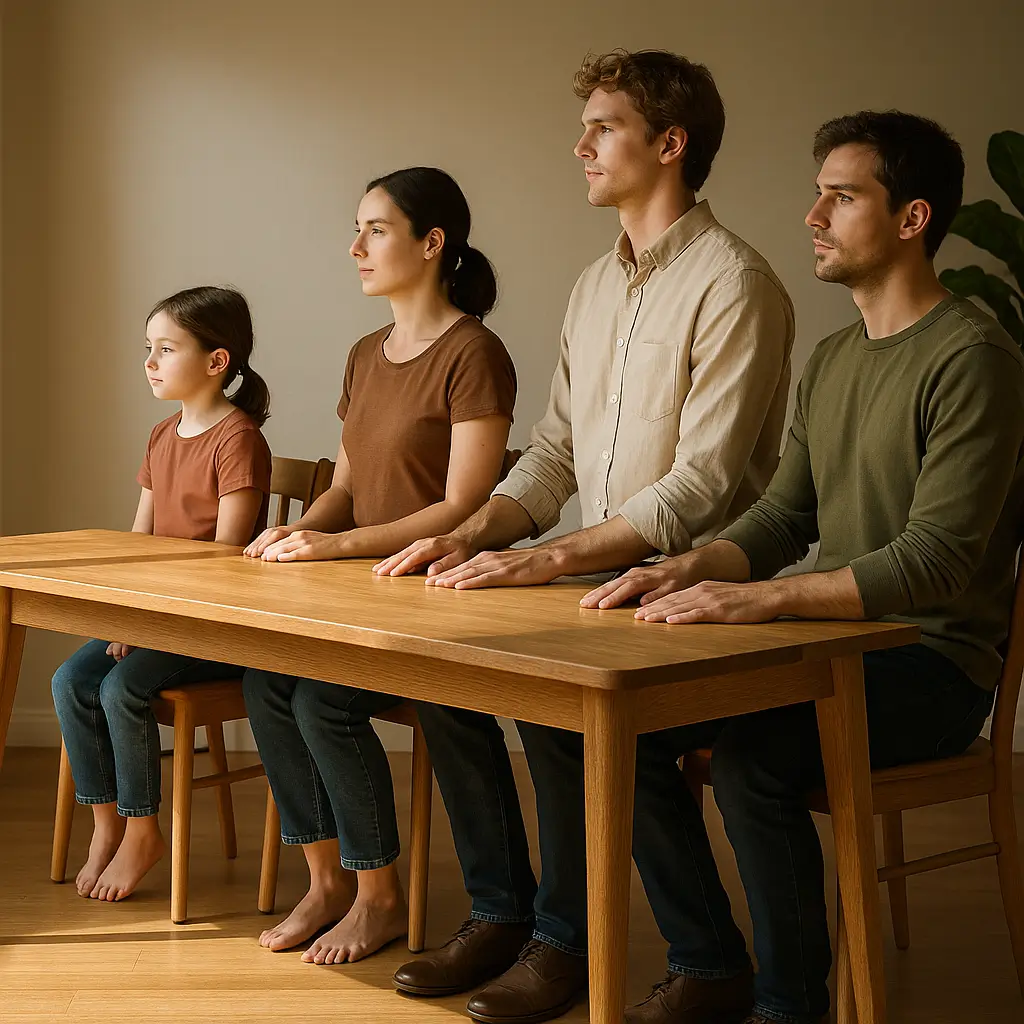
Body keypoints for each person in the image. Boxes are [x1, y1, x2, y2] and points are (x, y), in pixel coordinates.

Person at [377, 51, 794, 1024]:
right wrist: (472, 534)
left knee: (564, 706)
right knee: (443, 664)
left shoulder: (736, 283)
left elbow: (705, 482)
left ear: (670, 143)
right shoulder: (592, 287)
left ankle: (625, 950)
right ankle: (505, 916)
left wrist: (549, 556)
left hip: (697, 591)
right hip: (602, 581)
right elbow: (557, 451)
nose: (582, 147)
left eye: (603, 128)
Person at [580, 111, 1022, 1024]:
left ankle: (790, 1007)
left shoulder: (974, 358)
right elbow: (785, 516)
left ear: (911, 219)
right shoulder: (833, 358)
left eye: (842, 196)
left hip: (931, 663)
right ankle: (709, 964)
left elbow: (936, 562)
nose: (813, 215)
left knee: (754, 763)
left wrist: (761, 603)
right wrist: (688, 569)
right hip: (832, 649)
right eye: (818, 193)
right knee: (621, 727)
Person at [240, 167, 517, 965]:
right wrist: (292, 534)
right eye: (357, 230)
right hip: (364, 594)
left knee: (322, 700)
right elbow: (349, 487)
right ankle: (328, 881)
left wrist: (335, 547)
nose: (356, 247)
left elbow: (464, 506)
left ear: (432, 244)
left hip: (438, 596)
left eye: (377, 230)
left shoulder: (475, 353)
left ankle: (380, 897)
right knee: (266, 680)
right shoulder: (366, 354)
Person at [51, 285, 273, 903]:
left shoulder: (238, 439)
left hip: (214, 626)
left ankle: (143, 830)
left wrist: (149, 623)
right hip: (157, 617)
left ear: (216, 360)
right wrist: (130, 614)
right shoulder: (160, 435)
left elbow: (226, 561)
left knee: (121, 688)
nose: (149, 362)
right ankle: (107, 825)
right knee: (70, 681)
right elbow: (140, 544)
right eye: (147, 348)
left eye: (166, 349)